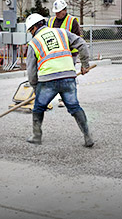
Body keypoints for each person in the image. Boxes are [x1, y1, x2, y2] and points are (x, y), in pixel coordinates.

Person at [25, 13, 94, 147]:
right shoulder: (62, 32)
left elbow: (31, 71)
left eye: (30, 31)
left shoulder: (34, 43)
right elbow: (82, 44)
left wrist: (35, 88)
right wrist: (85, 65)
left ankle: (36, 136)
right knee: (74, 107)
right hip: (68, 76)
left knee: (38, 107)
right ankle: (87, 136)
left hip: (48, 80)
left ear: (33, 28)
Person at [48, 0, 82, 107]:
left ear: (65, 10)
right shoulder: (51, 21)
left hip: (70, 53)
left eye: (59, 12)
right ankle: (60, 97)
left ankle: (68, 99)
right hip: (56, 53)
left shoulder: (72, 21)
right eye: (56, 12)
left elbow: (78, 39)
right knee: (57, 76)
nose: (57, 14)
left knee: (68, 76)